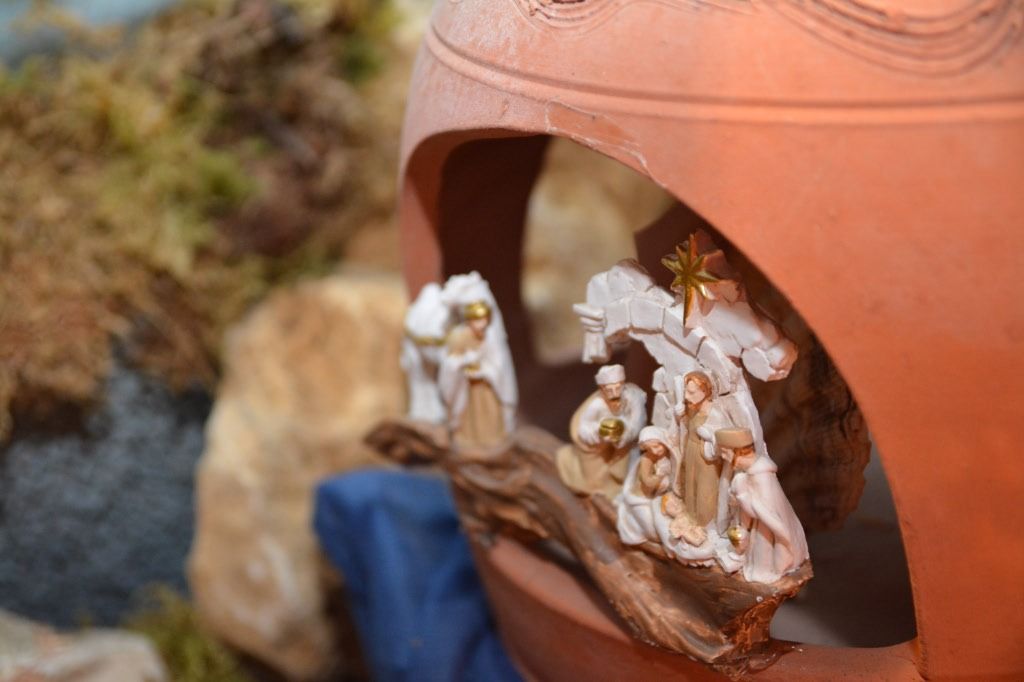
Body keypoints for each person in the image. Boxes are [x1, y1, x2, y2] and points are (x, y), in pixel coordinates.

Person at [717, 428, 809, 584]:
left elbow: (763, 512)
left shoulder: (761, 476)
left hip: (766, 533)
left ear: (738, 453)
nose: (724, 457)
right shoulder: (752, 472)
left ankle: (766, 569)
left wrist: (742, 496)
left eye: (726, 453)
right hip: (758, 526)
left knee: (762, 550)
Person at [556, 364, 646, 498]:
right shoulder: (597, 405)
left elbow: (638, 422)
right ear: (603, 390)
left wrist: (624, 434)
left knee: (631, 469)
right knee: (593, 482)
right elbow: (584, 427)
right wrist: (600, 432)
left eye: (618, 388)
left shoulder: (633, 398)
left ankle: (626, 486)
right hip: (600, 447)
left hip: (627, 445)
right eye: (610, 390)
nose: (615, 394)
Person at [438, 300, 517, 449]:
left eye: (485, 320)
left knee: (490, 414)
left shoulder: (489, 337)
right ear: (469, 321)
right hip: (467, 389)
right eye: (478, 320)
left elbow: (498, 363)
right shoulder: (459, 337)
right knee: (471, 418)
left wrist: (485, 371)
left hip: (487, 385)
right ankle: (468, 440)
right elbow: (449, 365)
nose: (482, 324)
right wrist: (465, 361)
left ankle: (494, 440)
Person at [674, 371, 730, 528]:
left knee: (705, 493)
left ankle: (706, 525)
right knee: (690, 487)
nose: (686, 396)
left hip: (707, 460)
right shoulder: (693, 408)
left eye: (691, 392)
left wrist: (709, 435)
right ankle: (692, 521)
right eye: (686, 391)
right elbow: (684, 423)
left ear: (705, 391)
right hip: (691, 452)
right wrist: (679, 413)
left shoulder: (715, 413)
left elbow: (723, 437)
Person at [616, 426, 674, 546]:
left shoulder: (669, 456)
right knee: (653, 533)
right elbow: (647, 482)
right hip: (640, 499)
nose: (655, 451)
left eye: (656, 446)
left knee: (664, 527)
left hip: (657, 497)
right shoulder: (646, 459)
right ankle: (630, 520)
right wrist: (660, 476)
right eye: (649, 448)